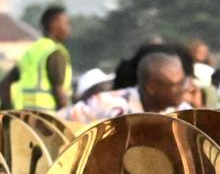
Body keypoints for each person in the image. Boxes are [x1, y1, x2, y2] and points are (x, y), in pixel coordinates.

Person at [60, 50, 190, 122]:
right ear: (151, 88)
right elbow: (57, 122)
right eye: (176, 84)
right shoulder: (108, 103)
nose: (185, 88)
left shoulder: (184, 114)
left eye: (183, 81)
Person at [0, 5, 71, 110]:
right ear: (54, 24)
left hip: (26, 116)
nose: (68, 28)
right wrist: (65, 114)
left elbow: (5, 84)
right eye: (66, 23)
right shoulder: (55, 52)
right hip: (48, 117)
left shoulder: (31, 51)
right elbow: (58, 89)